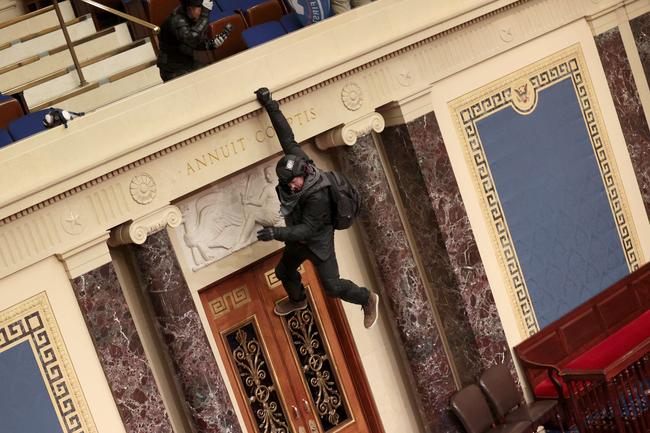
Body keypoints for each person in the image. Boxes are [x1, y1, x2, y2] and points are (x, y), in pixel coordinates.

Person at [254, 87, 379, 329]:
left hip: (317, 242)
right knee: (283, 271)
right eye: (287, 183)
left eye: (294, 181)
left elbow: (307, 230)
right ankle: (298, 300)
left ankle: (366, 298)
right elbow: (287, 138)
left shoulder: (317, 195)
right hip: (298, 241)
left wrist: (275, 233)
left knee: (332, 287)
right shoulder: (300, 162)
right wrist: (271, 106)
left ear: (303, 174)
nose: (291, 187)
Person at [156, 0, 228, 82]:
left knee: (211, 78)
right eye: (201, 8)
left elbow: (196, 43)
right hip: (172, 69)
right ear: (190, 8)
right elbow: (191, 40)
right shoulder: (177, 20)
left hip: (187, 62)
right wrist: (204, 16)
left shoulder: (191, 17)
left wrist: (211, 44)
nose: (202, 12)